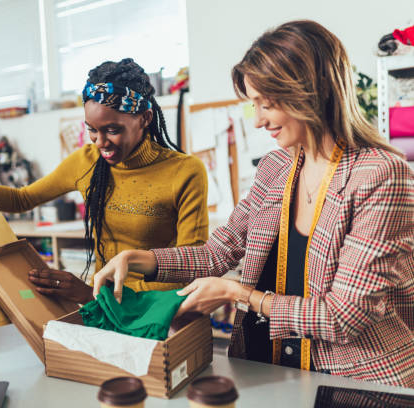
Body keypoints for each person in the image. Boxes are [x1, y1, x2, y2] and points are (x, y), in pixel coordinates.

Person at [92, 21, 414, 387]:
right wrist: (138, 260)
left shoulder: (380, 175)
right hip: (269, 369)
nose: (258, 120)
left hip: (354, 383)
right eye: (253, 104)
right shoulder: (276, 167)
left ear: (310, 92)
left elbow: (344, 315)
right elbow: (218, 252)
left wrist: (237, 293)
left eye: (267, 104)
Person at [0, 58, 209, 304]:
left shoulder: (185, 172)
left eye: (112, 130)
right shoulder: (86, 161)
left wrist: (94, 296)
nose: (101, 143)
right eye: (92, 130)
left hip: (158, 311)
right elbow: (22, 199)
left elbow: (191, 266)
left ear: (145, 118)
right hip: (104, 305)